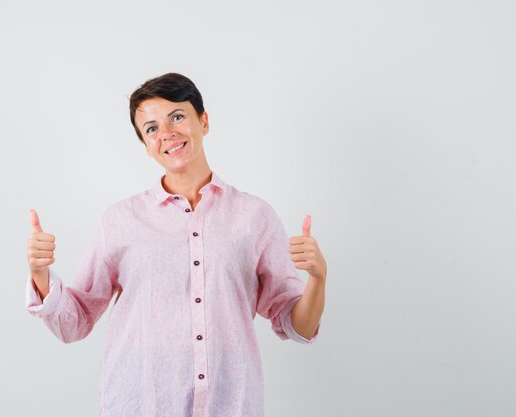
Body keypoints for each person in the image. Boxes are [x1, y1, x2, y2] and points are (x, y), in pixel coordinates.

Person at [25, 73, 327, 417]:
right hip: (141, 403)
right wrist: (41, 277)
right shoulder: (120, 220)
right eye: (151, 128)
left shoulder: (254, 217)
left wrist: (318, 279)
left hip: (230, 405)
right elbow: (74, 323)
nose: (166, 133)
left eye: (177, 117)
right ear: (145, 144)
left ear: (204, 121)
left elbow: (297, 326)